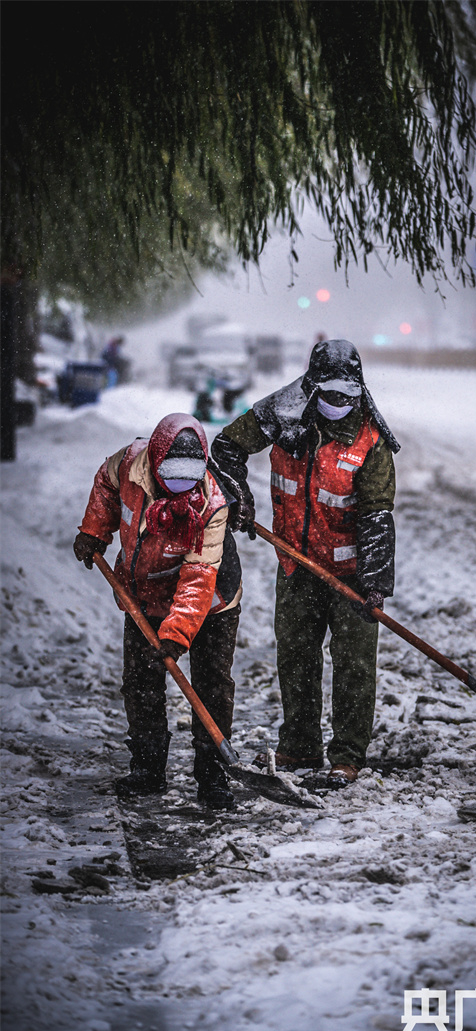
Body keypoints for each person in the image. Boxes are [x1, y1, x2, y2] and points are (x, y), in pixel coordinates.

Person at [211, 339, 399, 787]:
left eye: (348, 396)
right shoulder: (284, 413)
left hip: (351, 573)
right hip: (295, 564)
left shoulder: (371, 442)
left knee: (353, 663)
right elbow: (226, 448)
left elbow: (377, 516)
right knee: (296, 656)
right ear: (312, 386)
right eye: (330, 394)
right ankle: (299, 745)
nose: (339, 403)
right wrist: (239, 496)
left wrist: (374, 584)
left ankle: (348, 754)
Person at [73, 412, 242, 810]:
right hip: (144, 594)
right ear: (155, 457)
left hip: (210, 600)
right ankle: (147, 769)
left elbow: (199, 578)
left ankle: (213, 776)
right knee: (140, 682)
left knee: (212, 686)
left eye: (191, 474)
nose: (182, 485)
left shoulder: (212, 504)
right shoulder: (129, 464)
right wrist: (94, 530)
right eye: (173, 473)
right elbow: (105, 483)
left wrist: (175, 634)